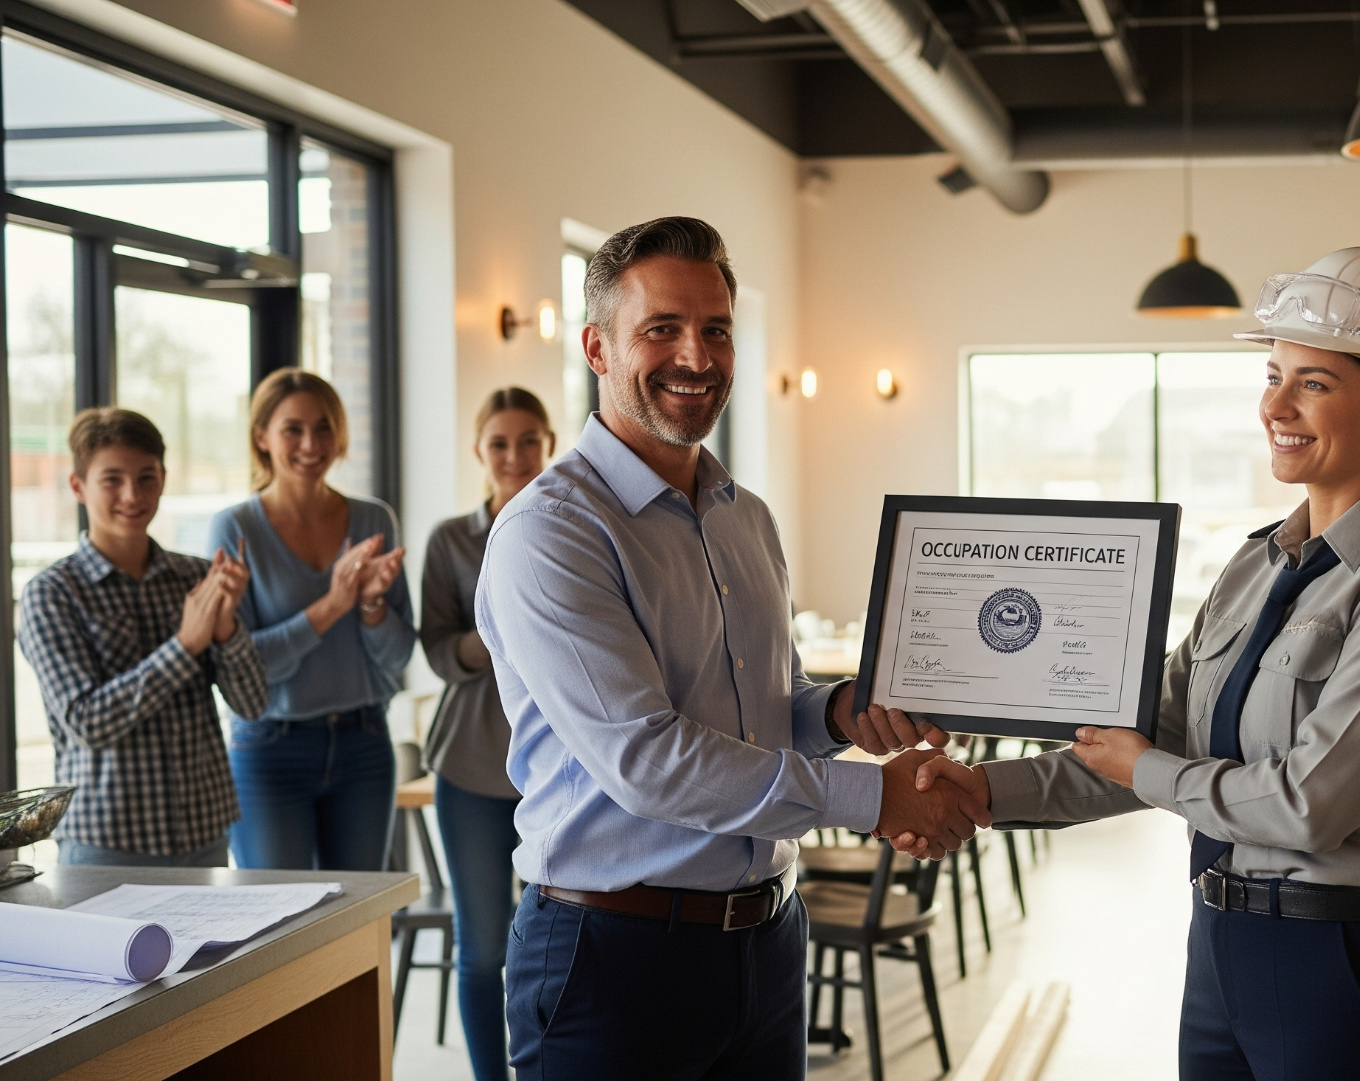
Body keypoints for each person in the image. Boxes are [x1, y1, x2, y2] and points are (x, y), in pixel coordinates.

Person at [906, 248, 1360, 1080]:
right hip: (1221, 946)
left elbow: (1309, 805)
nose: (1276, 405)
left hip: (1342, 960)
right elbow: (1152, 738)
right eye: (1275, 374)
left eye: (1313, 383)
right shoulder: (1255, 565)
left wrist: (1150, 770)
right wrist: (985, 791)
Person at [476, 216, 986, 1081]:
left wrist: (841, 710)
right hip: (614, 956)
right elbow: (650, 759)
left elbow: (767, 708)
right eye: (662, 329)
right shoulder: (550, 532)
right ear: (597, 348)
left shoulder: (745, 516)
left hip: (767, 941)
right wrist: (871, 796)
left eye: (716, 330)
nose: (696, 356)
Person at [20, 408, 266, 867]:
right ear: (78, 486)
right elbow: (87, 721)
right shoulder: (50, 594)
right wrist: (185, 645)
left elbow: (253, 705)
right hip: (105, 841)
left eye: (146, 478)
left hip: (203, 832)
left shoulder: (196, 577)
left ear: (163, 479)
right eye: (112, 479)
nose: (132, 495)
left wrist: (227, 629)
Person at [208, 369, 415, 871]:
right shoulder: (235, 528)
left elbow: (399, 654)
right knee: (278, 927)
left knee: (358, 925)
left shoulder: (374, 521)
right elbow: (244, 669)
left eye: (323, 428)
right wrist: (333, 604)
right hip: (268, 752)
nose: (310, 443)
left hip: (364, 745)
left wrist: (369, 606)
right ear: (262, 437)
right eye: (292, 429)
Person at [419, 386, 553, 1081]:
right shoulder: (451, 540)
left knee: (555, 945)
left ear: (550, 443)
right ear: (479, 451)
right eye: (499, 443)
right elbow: (440, 652)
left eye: (527, 440)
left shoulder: (577, 527)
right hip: (471, 769)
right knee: (482, 951)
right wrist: (506, 629)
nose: (514, 455)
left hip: (562, 771)